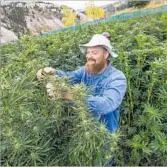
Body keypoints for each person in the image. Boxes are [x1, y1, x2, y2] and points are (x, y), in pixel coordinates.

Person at [36, 33, 127, 165]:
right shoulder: (86, 70)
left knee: (101, 163)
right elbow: (70, 76)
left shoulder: (117, 78)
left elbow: (107, 104)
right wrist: (53, 73)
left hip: (103, 134)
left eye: (94, 52)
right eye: (88, 52)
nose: (89, 56)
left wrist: (68, 94)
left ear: (106, 54)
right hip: (82, 129)